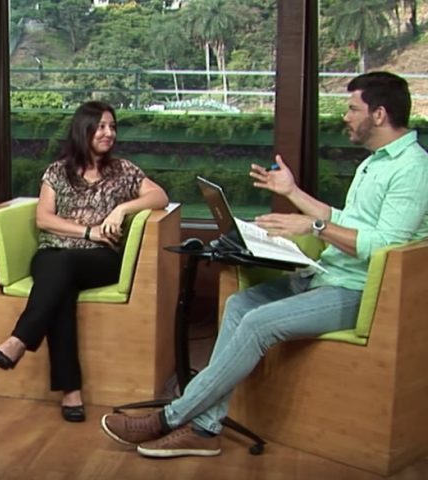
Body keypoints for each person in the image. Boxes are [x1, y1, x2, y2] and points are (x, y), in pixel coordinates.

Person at [100, 71, 428, 457]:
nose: (346, 116)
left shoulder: (413, 169)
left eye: (353, 108)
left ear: (379, 114)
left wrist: (315, 227)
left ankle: (170, 418)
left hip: (359, 291)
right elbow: (346, 220)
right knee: (240, 304)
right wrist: (292, 192)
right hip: (329, 275)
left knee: (258, 323)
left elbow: (386, 245)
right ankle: (206, 429)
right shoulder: (374, 163)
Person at [0, 101, 168, 422]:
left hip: (100, 259)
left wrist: (121, 209)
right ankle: (71, 392)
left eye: (112, 127)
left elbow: (160, 196)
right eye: (101, 127)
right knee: (61, 286)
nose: (109, 133)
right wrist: (87, 231)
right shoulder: (57, 172)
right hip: (53, 254)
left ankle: (20, 340)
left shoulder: (123, 170)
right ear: (83, 130)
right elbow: (43, 219)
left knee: (63, 268)